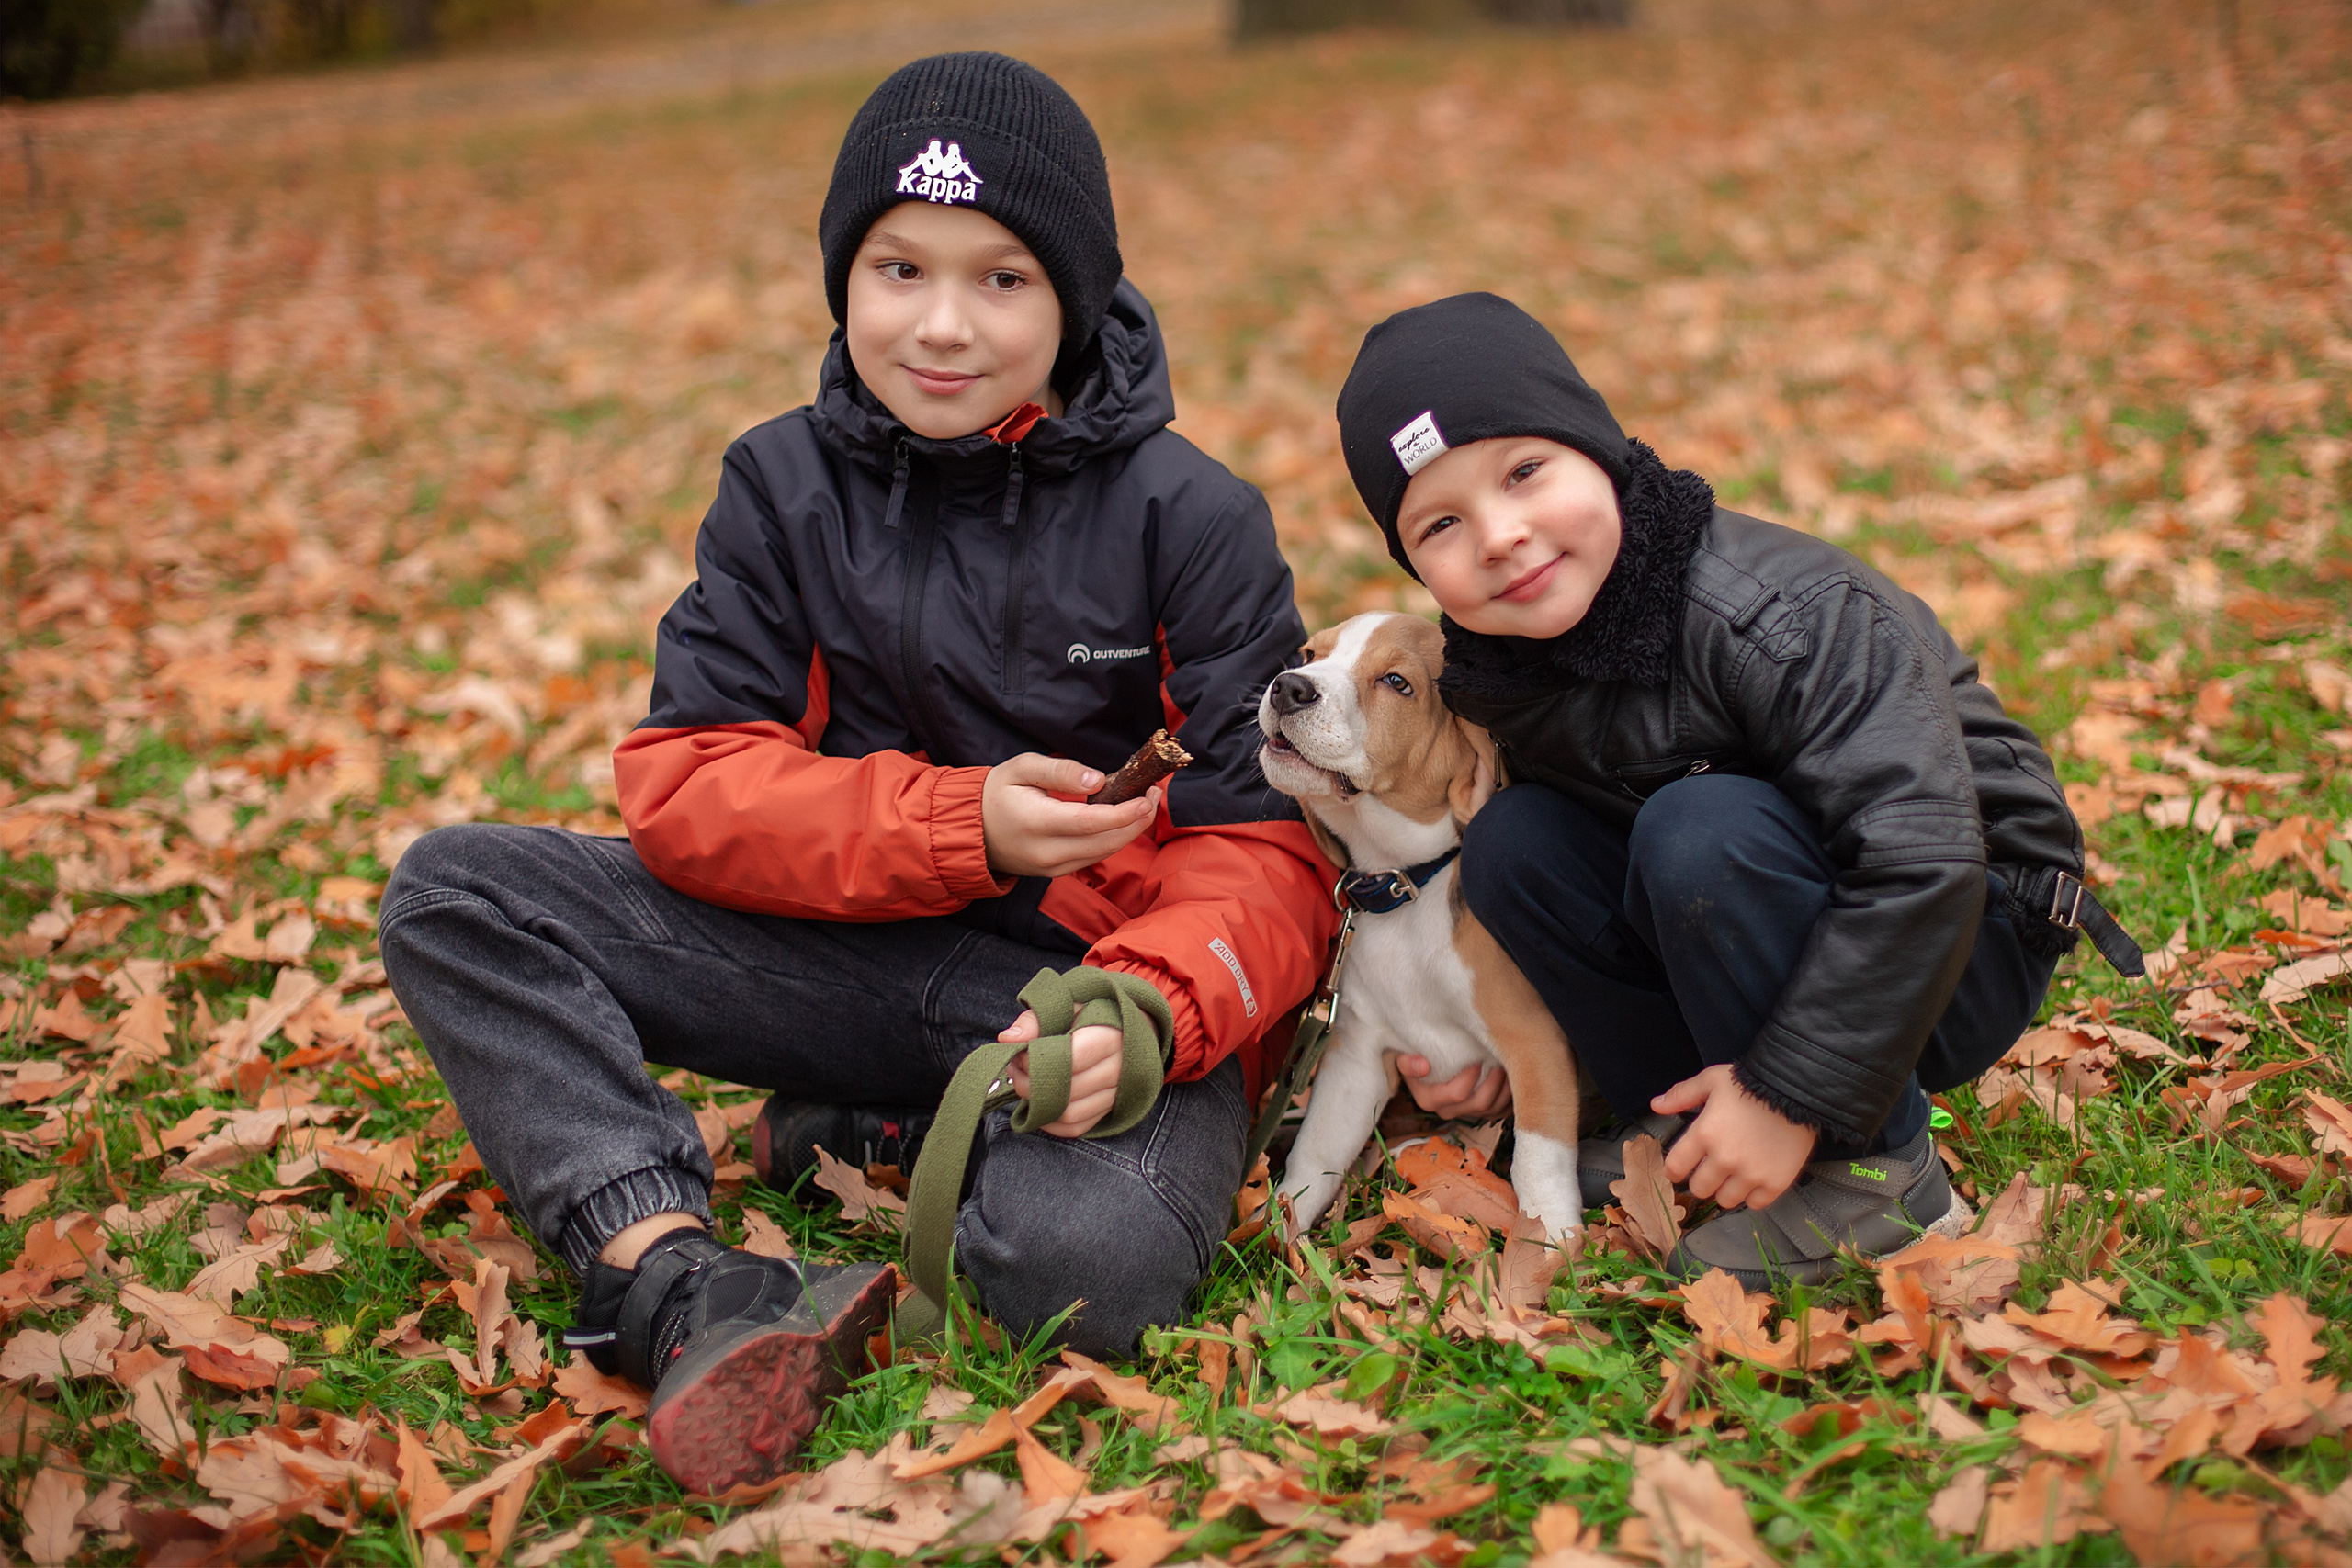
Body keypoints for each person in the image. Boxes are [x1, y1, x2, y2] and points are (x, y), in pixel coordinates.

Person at [379, 52, 1336, 1494]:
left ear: (1075, 294)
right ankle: (675, 1275)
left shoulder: (1191, 518)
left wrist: (1149, 1006)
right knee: (459, 893)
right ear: (844, 277)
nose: (942, 324)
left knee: (1082, 1268)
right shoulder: (780, 489)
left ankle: (875, 1126)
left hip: (1091, 1001)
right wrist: (961, 825)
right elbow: (689, 783)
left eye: (1002, 277)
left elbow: (1268, 843)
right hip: (858, 957)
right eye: (899, 268)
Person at [1331, 292, 2138, 1288]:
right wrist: (1506, 1051)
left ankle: (1874, 1170)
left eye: (1525, 472)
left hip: (1956, 940)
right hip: (1760, 917)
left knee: (1697, 825)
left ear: (1600, 452)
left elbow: (1924, 859)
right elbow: (1574, 881)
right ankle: (1677, 1116)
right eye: (1442, 523)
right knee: (1516, 840)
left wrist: (1788, 1092)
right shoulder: (1505, 667)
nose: (1498, 534)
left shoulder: (1773, 616)